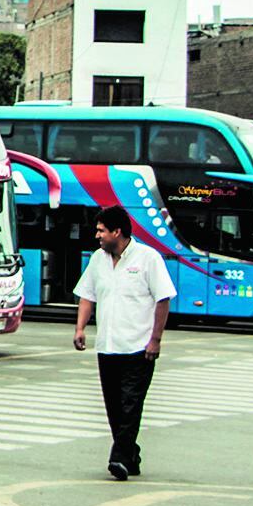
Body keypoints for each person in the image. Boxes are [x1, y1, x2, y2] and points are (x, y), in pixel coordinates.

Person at [72, 205, 176, 481]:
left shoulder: (147, 258)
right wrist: (80, 328)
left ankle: (118, 458)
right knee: (115, 408)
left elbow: (163, 298)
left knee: (131, 404)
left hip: (139, 348)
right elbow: (87, 295)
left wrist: (155, 340)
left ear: (117, 232)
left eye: (101, 231)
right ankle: (131, 453)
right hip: (107, 346)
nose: (97, 236)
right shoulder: (97, 259)